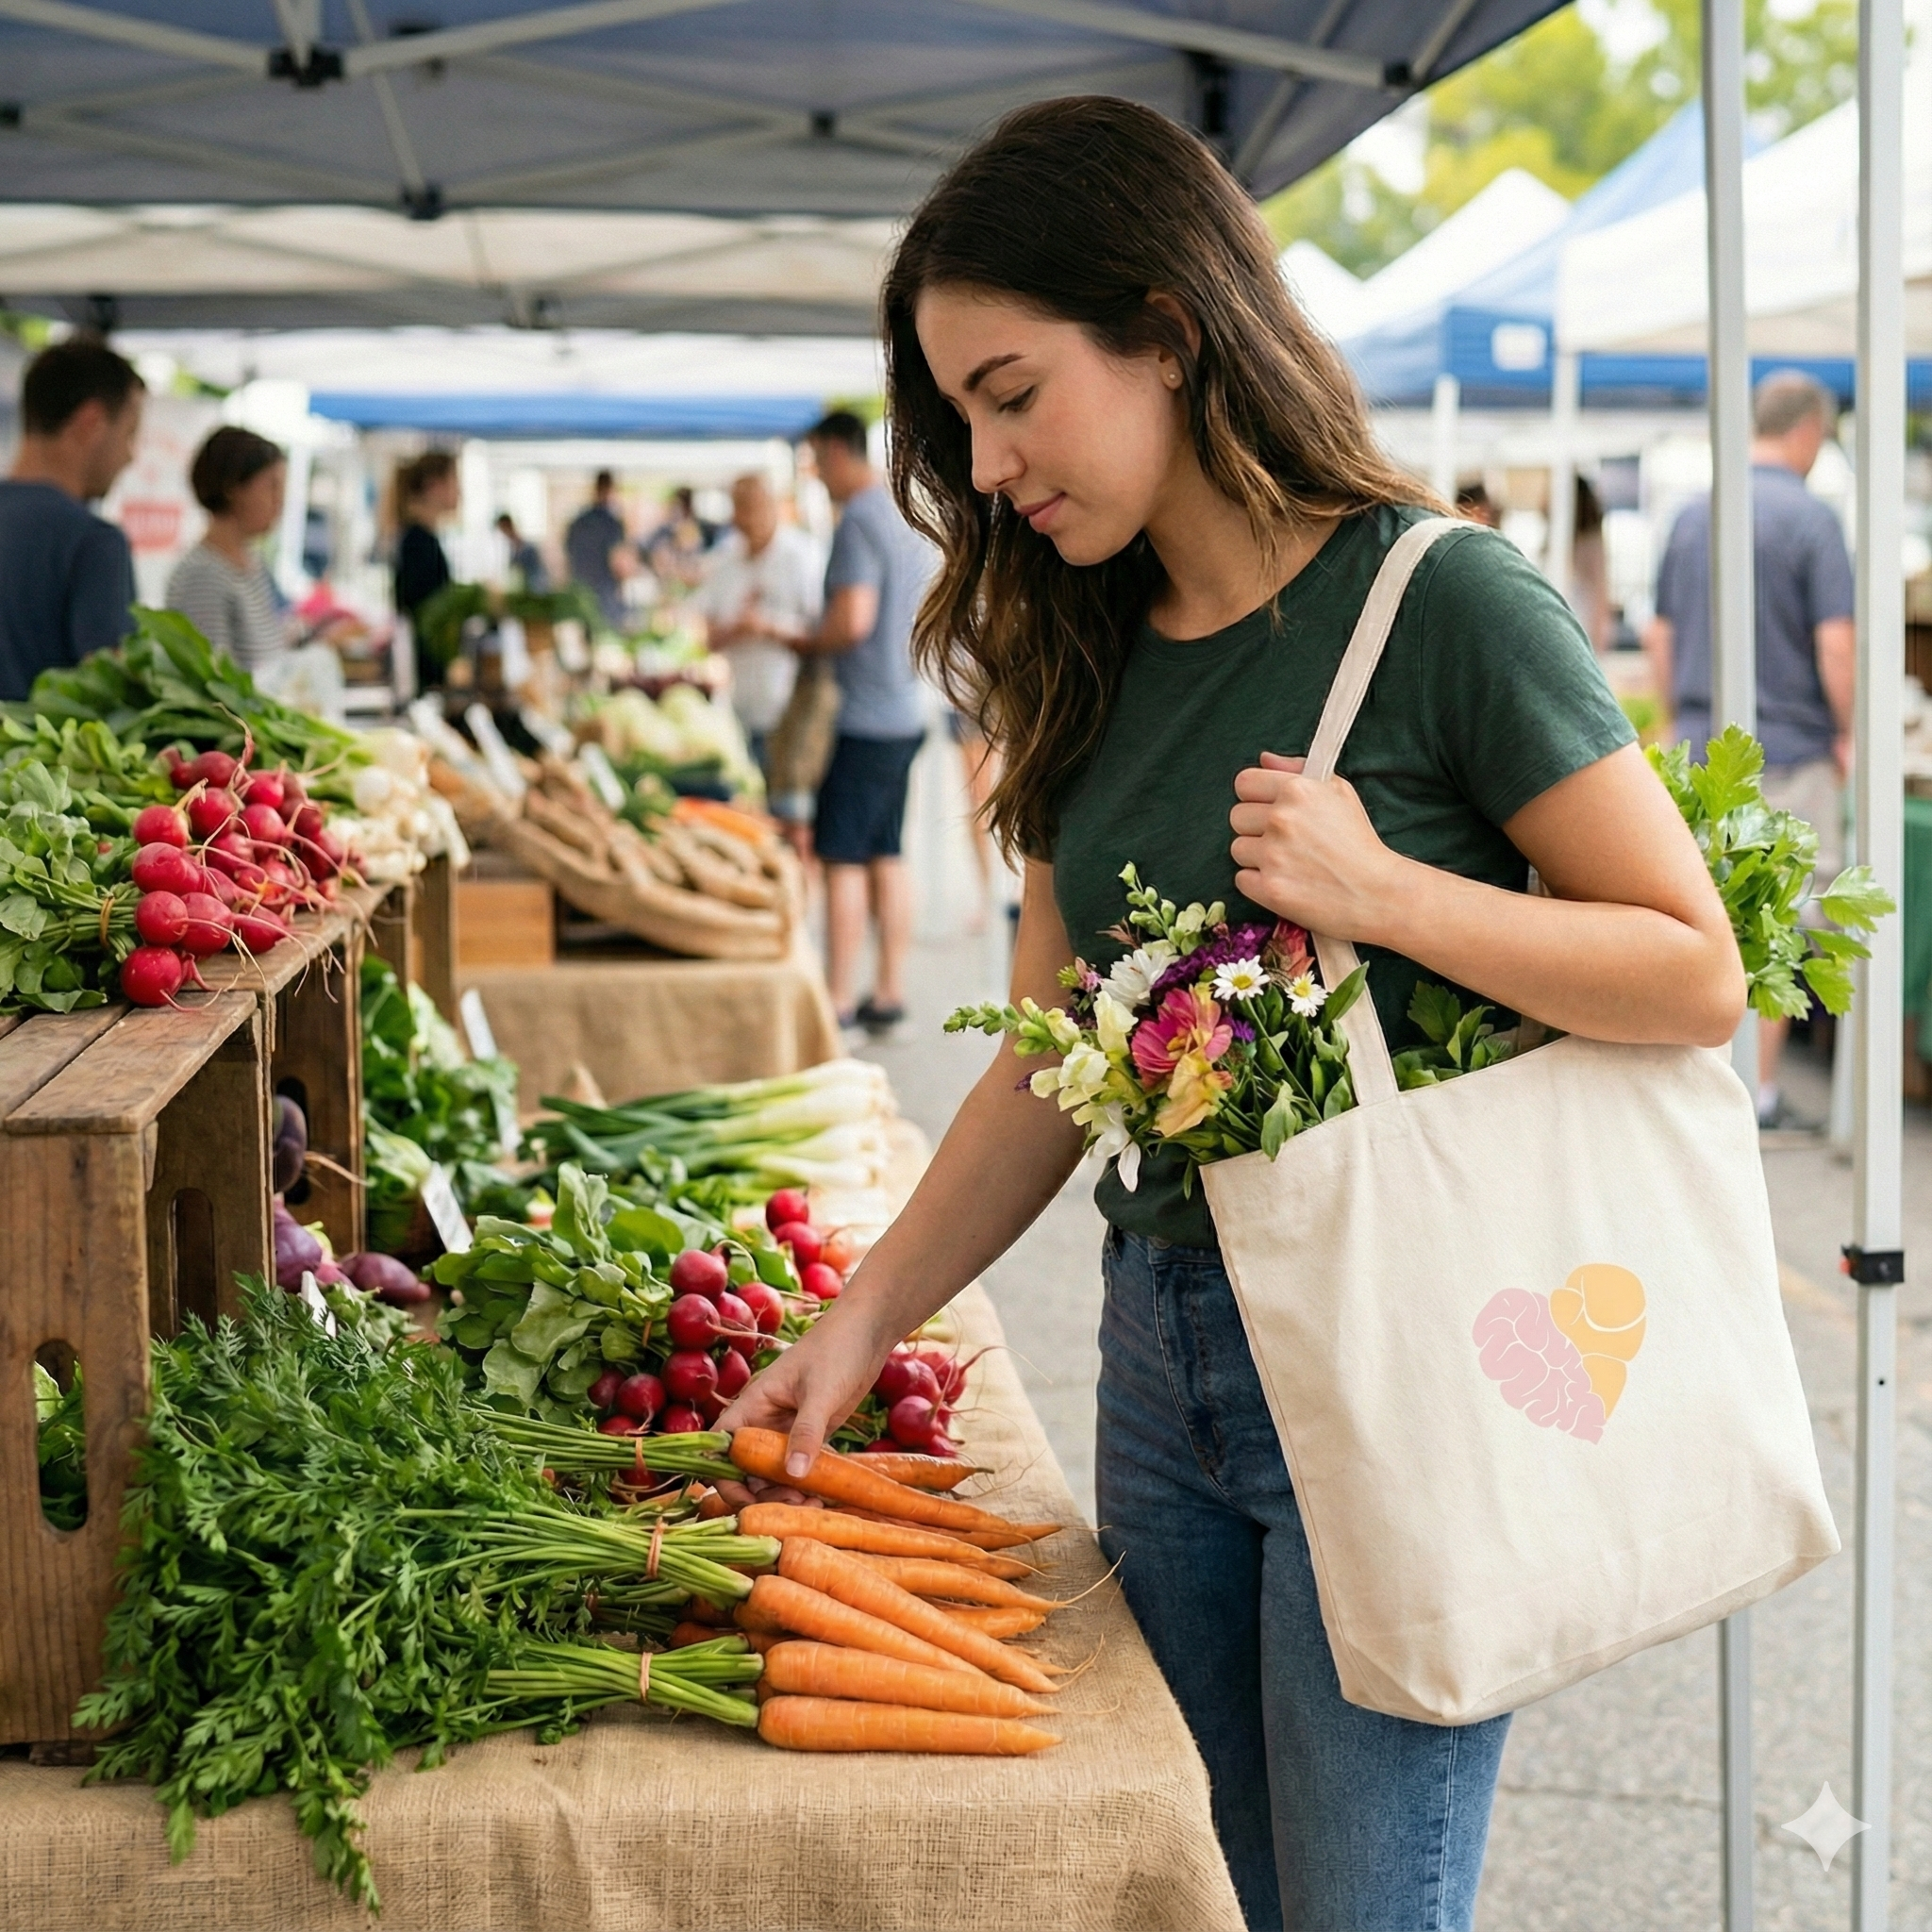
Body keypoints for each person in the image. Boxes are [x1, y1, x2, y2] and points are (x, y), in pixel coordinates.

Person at [722, 97, 1744, 1932]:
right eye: (957, 413)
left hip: (1396, 1355)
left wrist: (1383, 895)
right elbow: (1052, 1067)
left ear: (1169, 330)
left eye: (1013, 389)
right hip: (1161, 1365)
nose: (987, 454)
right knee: (1201, 1900)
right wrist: (859, 1319)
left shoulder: (1439, 604)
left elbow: (1693, 969)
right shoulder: (1075, 653)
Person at [1644, 368, 1854, 1129]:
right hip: (1791, 750)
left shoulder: (1695, 514)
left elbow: (1661, 636)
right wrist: (1850, 732)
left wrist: (1676, 719)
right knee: (1779, 924)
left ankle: (1696, 1091)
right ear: (1807, 431)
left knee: (1705, 921)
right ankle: (1755, 1097)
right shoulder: (1813, 520)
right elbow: (1838, 645)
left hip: (1702, 747)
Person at [793, 410, 933, 1034]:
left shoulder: (855, 522)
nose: (817, 474)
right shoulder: (903, 515)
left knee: (842, 858)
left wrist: (803, 640)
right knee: (887, 851)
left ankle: (839, 1002)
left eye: (818, 460)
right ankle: (891, 993)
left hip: (864, 717)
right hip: (906, 710)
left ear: (836, 450)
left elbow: (852, 620)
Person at [0, 334, 143, 700]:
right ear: (91, 422)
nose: (130, 457)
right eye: (129, 434)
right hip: (35, 756)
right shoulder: (94, 541)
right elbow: (113, 696)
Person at [697, 473, 823, 771]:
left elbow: (819, 635)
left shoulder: (801, 557)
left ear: (772, 507)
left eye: (755, 507)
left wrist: (767, 628)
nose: (749, 518)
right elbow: (707, 637)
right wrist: (736, 629)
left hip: (791, 716)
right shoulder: (724, 561)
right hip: (739, 710)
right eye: (741, 508)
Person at [166, 426, 291, 677]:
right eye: (271, 486)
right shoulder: (203, 575)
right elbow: (212, 680)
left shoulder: (254, 564)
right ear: (233, 488)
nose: (280, 500)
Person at [565, 471, 629, 625]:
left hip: (580, 590)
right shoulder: (611, 523)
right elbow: (619, 561)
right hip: (604, 592)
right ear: (610, 489)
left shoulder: (578, 521)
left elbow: (567, 554)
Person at [495, 511, 548, 593]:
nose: (504, 532)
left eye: (504, 528)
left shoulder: (529, 548)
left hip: (533, 589)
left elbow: (538, 573)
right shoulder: (508, 549)